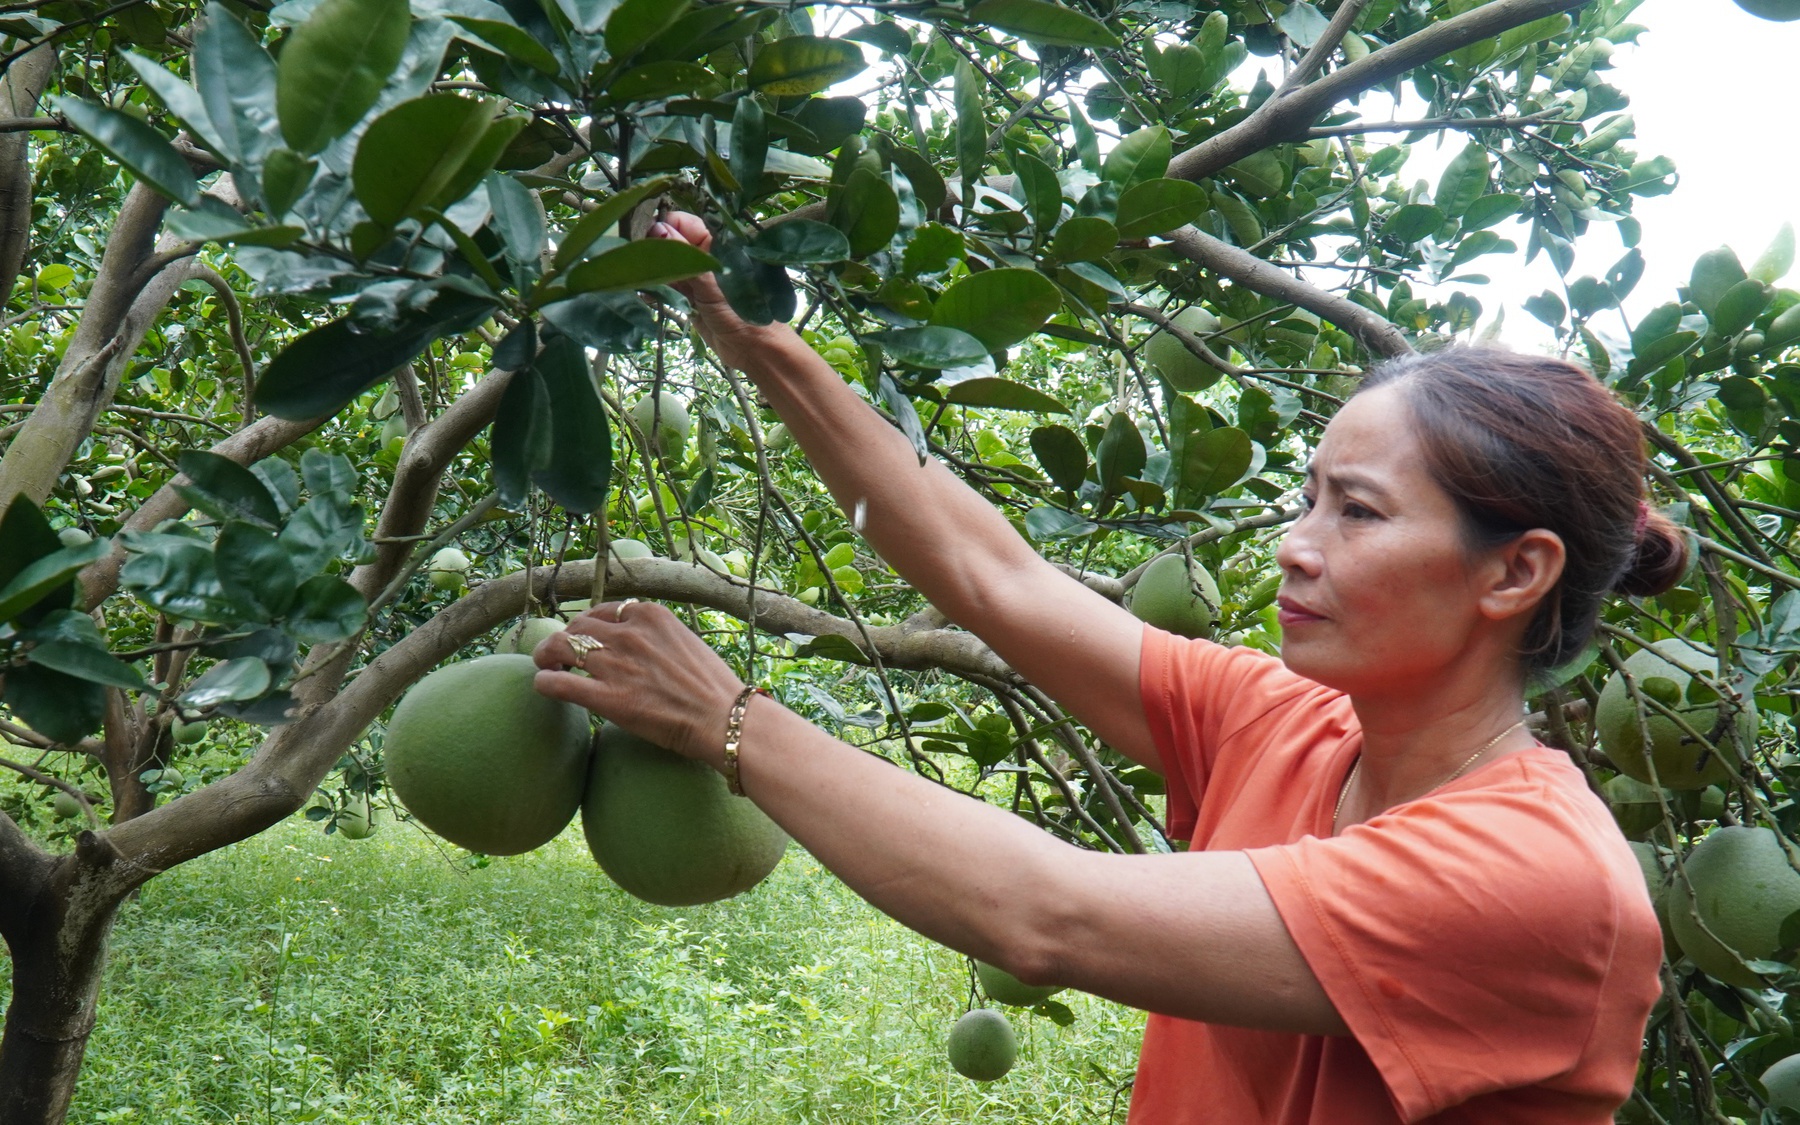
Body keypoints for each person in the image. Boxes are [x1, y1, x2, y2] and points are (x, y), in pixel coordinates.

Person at [531, 211, 1676, 1124]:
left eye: (1360, 512)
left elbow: (1047, 916)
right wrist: (758, 340)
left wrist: (727, 721)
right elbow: (998, 579)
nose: (1296, 540)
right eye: (1310, 494)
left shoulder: (1538, 879)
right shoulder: (1288, 724)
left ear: (1514, 573)